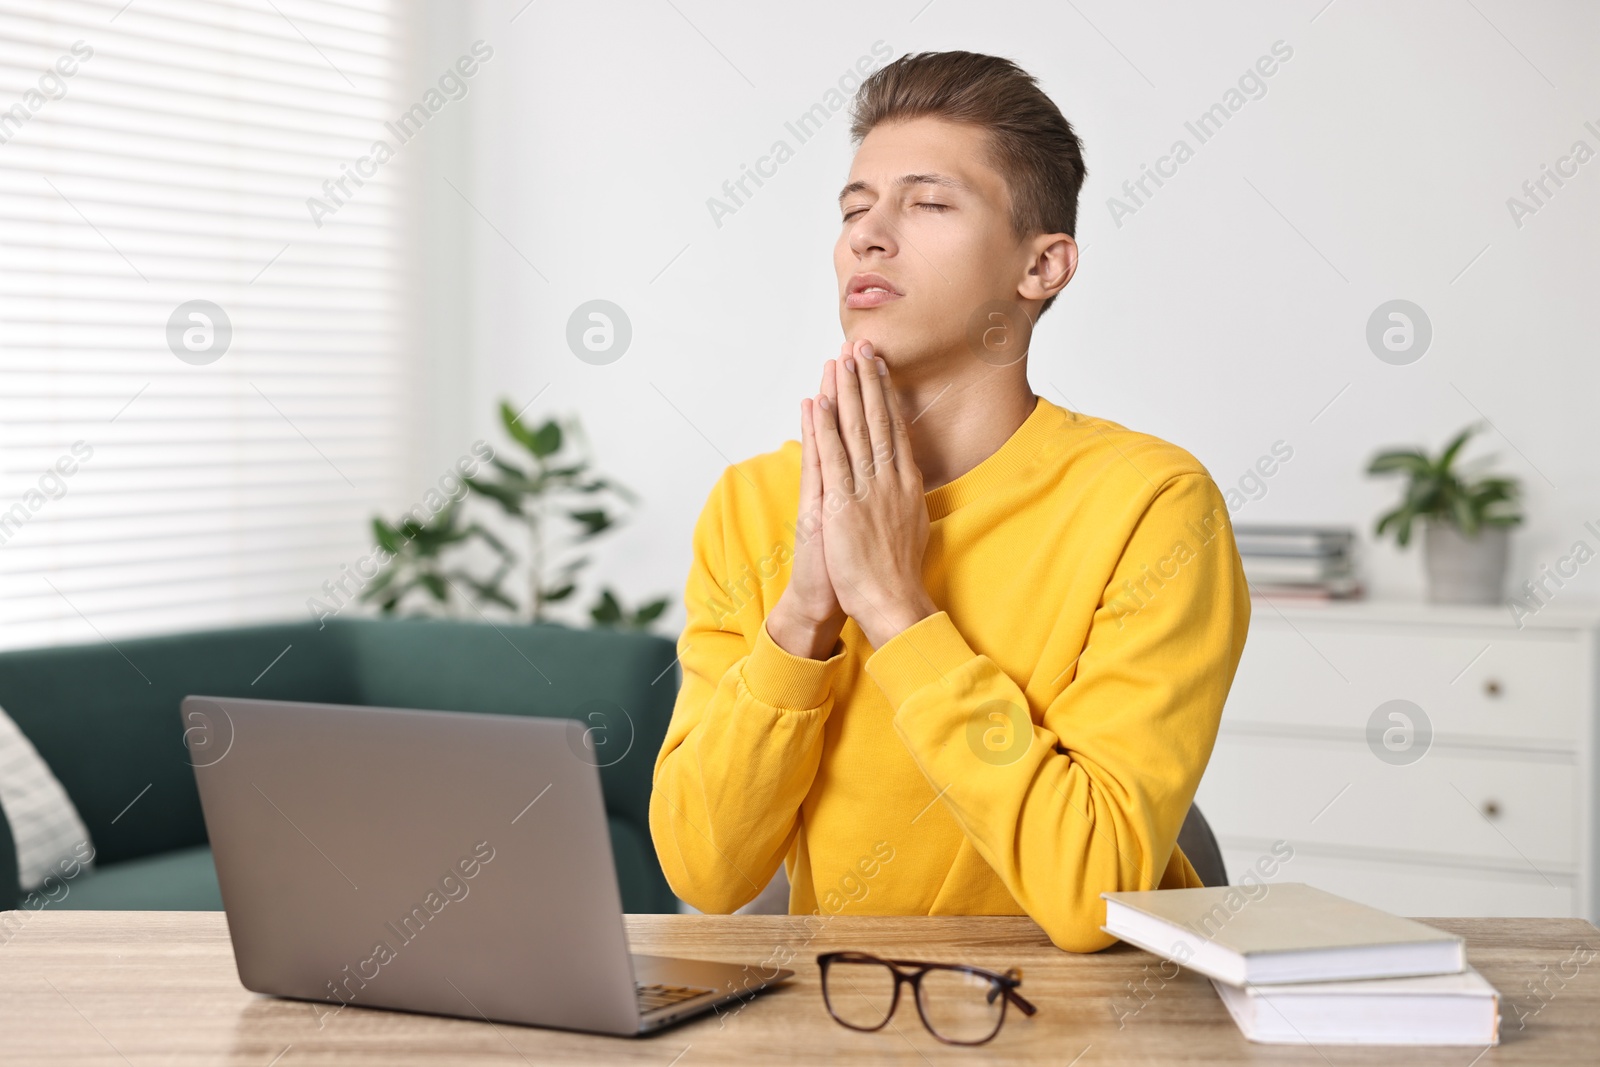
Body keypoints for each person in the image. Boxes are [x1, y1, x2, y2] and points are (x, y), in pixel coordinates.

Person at [649, 50, 1251, 952]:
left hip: (1090, 1026)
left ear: (1043, 266)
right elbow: (706, 869)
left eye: (927, 204)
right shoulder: (754, 502)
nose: (868, 235)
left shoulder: (1154, 505)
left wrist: (895, 604)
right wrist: (807, 610)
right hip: (843, 1022)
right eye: (854, 209)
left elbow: (1091, 890)